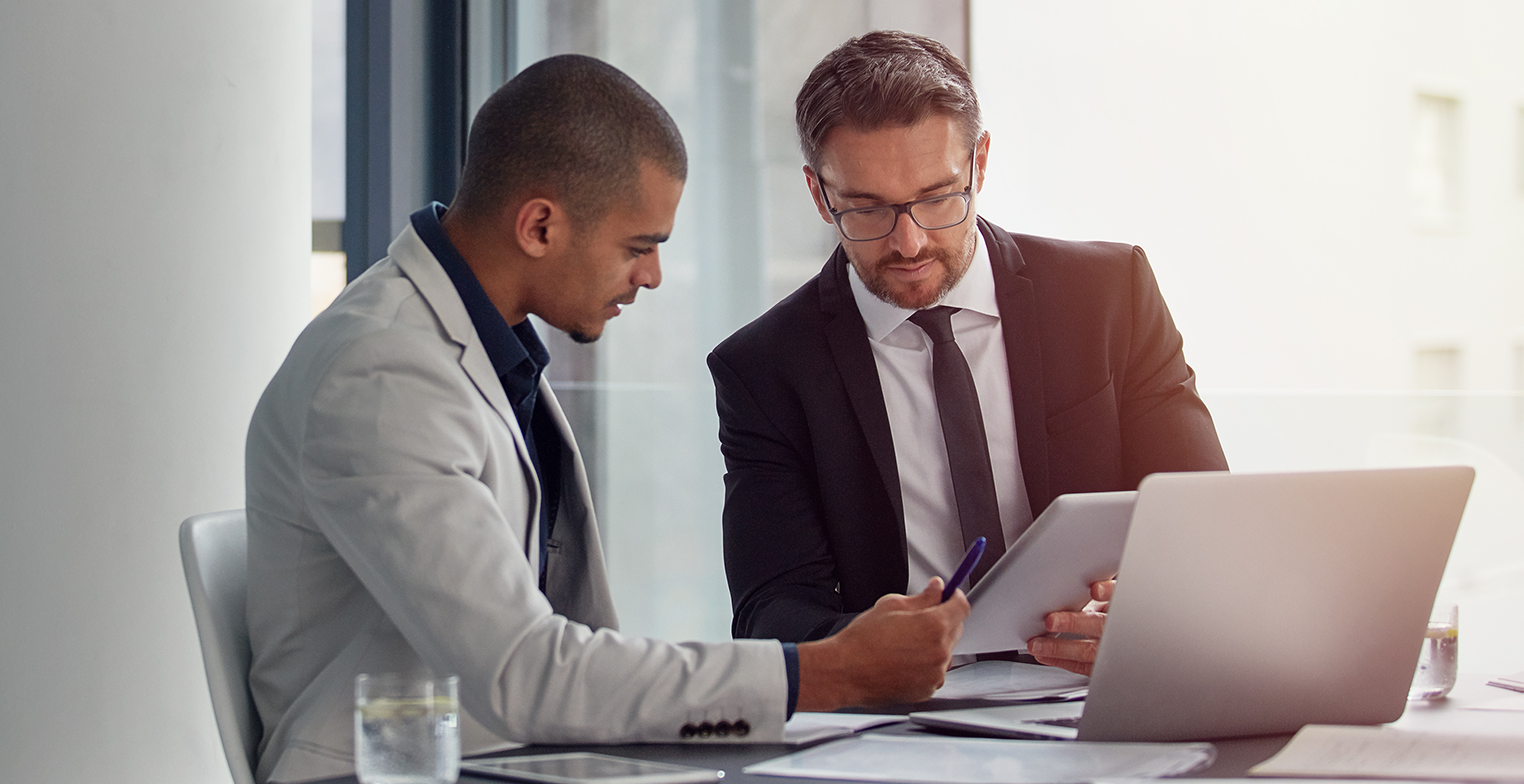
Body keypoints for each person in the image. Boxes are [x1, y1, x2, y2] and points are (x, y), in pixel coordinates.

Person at [245, 54, 968, 784]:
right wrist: (826, 672)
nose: (651, 275)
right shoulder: (382, 374)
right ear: (539, 226)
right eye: (638, 247)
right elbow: (524, 672)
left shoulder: (480, 349)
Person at [708, 31, 1227, 676]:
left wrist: (1149, 614)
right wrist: (866, 648)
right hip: (907, 718)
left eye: (936, 197)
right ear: (820, 195)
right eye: (867, 209)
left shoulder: (1108, 295)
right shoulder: (764, 368)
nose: (909, 242)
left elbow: (1208, 524)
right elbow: (771, 607)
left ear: (979, 164)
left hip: (1102, 689)